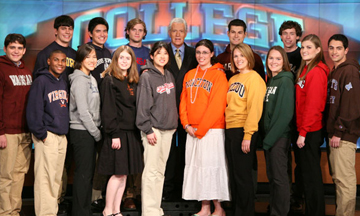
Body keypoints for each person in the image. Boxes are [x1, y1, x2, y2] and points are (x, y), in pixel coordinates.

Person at [180, 39, 230, 216]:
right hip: (191, 130)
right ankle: (205, 208)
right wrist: (186, 125)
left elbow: (217, 106)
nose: (201, 56)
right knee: (198, 167)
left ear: (212, 54)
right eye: (198, 52)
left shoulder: (218, 75)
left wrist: (200, 130)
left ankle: (219, 208)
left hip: (212, 130)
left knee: (212, 167)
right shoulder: (189, 74)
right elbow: (183, 102)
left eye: (204, 52)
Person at [98, 45, 143, 216]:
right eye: (121, 58)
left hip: (130, 133)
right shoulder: (109, 80)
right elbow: (108, 110)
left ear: (132, 61)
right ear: (115, 60)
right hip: (117, 133)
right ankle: (108, 210)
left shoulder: (131, 80)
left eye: (128, 58)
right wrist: (114, 134)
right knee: (117, 174)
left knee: (124, 175)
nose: (124, 61)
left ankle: (116, 210)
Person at [136, 41, 178, 216]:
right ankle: (149, 211)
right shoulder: (146, 76)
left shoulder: (169, 75)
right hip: (153, 130)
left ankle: (156, 209)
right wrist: (148, 129)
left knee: (160, 172)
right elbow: (142, 106)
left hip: (168, 130)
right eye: (158, 53)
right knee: (151, 172)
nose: (162, 56)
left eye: (165, 53)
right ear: (152, 56)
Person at [225, 43, 266, 215]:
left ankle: (245, 212)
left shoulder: (255, 78)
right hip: (230, 130)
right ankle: (236, 210)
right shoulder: (233, 79)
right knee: (234, 175)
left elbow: (255, 109)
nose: (239, 59)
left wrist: (248, 135)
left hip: (244, 130)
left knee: (243, 177)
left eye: (242, 56)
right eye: (236, 56)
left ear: (249, 57)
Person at [26, 50, 69, 216]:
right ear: (49, 61)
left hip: (61, 136)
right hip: (47, 136)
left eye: (63, 61)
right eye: (56, 60)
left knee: (56, 179)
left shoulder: (62, 81)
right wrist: (41, 134)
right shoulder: (41, 81)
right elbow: (33, 110)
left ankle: (52, 211)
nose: (60, 63)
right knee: (46, 179)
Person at [163, 17, 198, 201]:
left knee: (187, 151)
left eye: (181, 31)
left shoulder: (194, 54)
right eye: (174, 31)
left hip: (189, 112)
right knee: (167, 152)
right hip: (166, 111)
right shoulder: (162, 52)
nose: (177, 34)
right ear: (169, 33)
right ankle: (167, 190)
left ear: (186, 33)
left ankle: (186, 190)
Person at [295, 34, 329, 216]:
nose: (304, 50)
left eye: (309, 47)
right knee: (307, 177)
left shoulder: (316, 71)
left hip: (310, 131)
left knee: (312, 178)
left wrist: (303, 132)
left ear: (318, 50)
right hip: (305, 130)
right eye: (303, 47)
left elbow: (314, 105)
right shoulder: (306, 69)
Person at [327, 34, 360, 216]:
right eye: (331, 48)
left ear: (346, 50)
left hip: (344, 135)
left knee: (345, 181)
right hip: (336, 134)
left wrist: (339, 130)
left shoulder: (350, 71)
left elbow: (352, 105)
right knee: (339, 180)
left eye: (338, 48)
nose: (334, 51)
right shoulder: (336, 70)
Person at [0, 34, 32, 216]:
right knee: (6, 176)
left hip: (25, 132)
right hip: (8, 133)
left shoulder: (27, 72)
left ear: (24, 50)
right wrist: (0, 131)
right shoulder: (1, 69)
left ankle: (14, 211)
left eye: (20, 48)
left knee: (20, 175)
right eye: (12, 47)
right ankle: (4, 212)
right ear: (5, 49)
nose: (16, 51)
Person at [68, 44, 102, 216]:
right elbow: (82, 111)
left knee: (87, 174)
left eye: (94, 56)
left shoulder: (91, 78)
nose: (92, 60)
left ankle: (85, 211)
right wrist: (96, 133)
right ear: (80, 59)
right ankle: (80, 213)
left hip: (89, 131)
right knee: (83, 175)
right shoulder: (80, 80)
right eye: (88, 57)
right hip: (82, 132)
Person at [260, 46, 294, 216]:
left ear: (284, 62)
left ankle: (280, 213)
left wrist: (269, 140)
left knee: (280, 179)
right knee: (272, 178)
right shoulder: (270, 81)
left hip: (279, 137)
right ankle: (274, 211)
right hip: (270, 138)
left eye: (278, 59)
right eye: (271, 58)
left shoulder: (286, 81)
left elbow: (285, 114)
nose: (274, 62)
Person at [122, 18, 150, 210]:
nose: (137, 33)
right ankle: (128, 195)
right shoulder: (123, 52)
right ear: (128, 32)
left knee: (144, 153)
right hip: (128, 106)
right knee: (128, 153)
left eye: (141, 30)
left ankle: (142, 192)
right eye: (134, 30)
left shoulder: (149, 53)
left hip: (146, 106)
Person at [278, 20, 304, 213]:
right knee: (282, 160)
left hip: (300, 116)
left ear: (298, 36)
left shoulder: (303, 55)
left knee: (301, 162)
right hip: (281, 116)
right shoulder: (276, 56)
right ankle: (284, 199)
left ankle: (298, 197)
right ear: (281, 35)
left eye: (291, 33)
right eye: (285, 33)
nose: (288, 37)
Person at [33, 15, 76, 83]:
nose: (67, 32)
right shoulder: (45, 54)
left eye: (70, 29)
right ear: (56, 31)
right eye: (63, 28)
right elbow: (38, 82)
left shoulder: (75, 54)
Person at [87, 17, 112, 85]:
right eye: (98, 31)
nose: (102, 34)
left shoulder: (108, 52)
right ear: (90, 34)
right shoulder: (86, 51)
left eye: (105, 31)